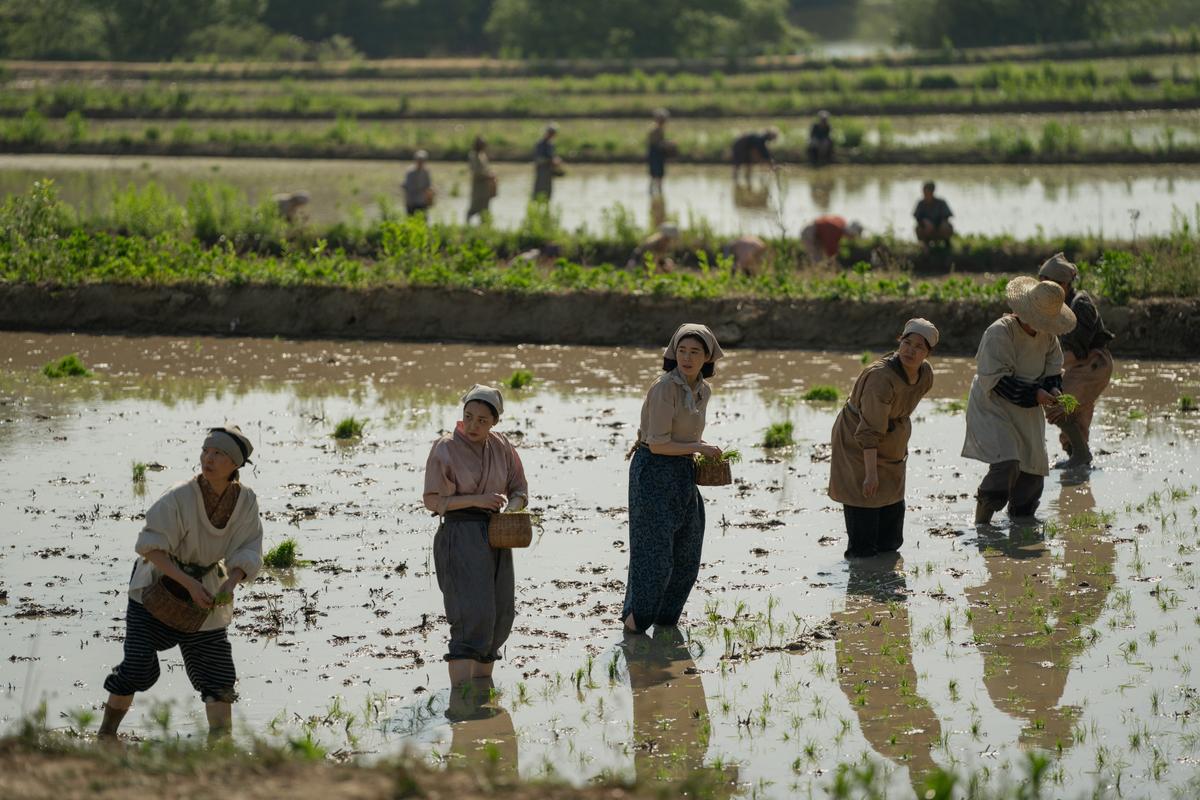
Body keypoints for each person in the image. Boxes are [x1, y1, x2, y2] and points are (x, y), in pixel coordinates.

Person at [98, 425, 263, 741]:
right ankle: (106, 736)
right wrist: (188, 583)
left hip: (206, 594)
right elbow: (151, 548)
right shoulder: (179, 496)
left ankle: (220, 748)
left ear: (235, 465)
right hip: (154, 589)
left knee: (217, 678)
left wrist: (230, 584)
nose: (208, 458)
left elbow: (249, 547)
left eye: (218, 454)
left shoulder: (246, 501)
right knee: (135, 669)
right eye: (205, 451)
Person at [423, 385, 529, 688]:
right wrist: (477, 500)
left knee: (499, 615)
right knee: (471, 616)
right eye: (468, 417)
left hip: (496, 536)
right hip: (459, 534)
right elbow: (431, 500)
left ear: (494, 422)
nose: (473, 426)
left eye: (482, 420)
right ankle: (461, 701)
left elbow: (519, 489)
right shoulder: (444, 448)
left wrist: (510, 508)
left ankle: (481, 696)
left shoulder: (502, 446)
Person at [623, 324, 725, 633]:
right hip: (653, 472)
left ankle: (666, 625)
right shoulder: (665, 387)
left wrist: (697, 452)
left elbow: (688, 438)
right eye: (682, 350)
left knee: (687, 556)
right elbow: (657, 444)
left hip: (682, 472)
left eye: (695, 352)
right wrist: (699, 448)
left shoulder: (703, 390)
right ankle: (635, 629)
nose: (687, 357)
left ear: (707, 357)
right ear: (673, 353)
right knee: (654, 559)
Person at [962, 277, 1075, 524]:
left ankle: (1020, 522)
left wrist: (1054, 392)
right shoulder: (999, 333)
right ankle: (982, 523)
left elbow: (1052, 373)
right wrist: (1036, 394)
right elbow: (997, 381)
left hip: (1028, 403)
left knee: (1033, 471)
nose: (1040, 326)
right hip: (993, 403)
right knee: (1008, 464)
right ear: (1023, 310)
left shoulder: (1049, 337)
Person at [828, 318, 937, 559]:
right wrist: (870, 472)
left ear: (928, 353)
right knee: (864, 500)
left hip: (892, 440)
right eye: (907, 343)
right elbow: (869, 430)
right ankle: (861, 576)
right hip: (858, 438)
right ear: (900, 342)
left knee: (891, 531)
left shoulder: (925, 375)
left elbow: (903, 407)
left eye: (919, 347)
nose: (910, 350)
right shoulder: (880, 378)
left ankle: (885, 574)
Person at [1038, 253, 1115, 468]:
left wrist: (1044, 371)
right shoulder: (1055, 305)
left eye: (1050, 285)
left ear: (1064, 284)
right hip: (1078, 364)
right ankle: (1078, 458)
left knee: (1056, 405)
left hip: (1093, 363)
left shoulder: (1080, 305)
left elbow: (1078, 351)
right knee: (1077, 413)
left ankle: (1081, 455)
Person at [466, 136, 497, 224]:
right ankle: (467, 225)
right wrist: (488, 176)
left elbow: (486, 169)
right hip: (478, 187)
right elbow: (476, 172)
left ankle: (484, 227)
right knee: (474, 207)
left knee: (485, 209)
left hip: (485, 187)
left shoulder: (482, 155)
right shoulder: (473, 156)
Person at [913, 181, 954, 247]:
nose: (925, 194)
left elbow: (947, 215)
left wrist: (937, 224)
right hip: (926, 228)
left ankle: (947, 245)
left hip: (938, 226)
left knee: (946, 226)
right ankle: (925, 245)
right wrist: (924, 222)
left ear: (932, 192)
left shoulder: (941, 202)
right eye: (924, 191)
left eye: (927, 192)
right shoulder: (921, 203)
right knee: (918, 228)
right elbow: (917, 217)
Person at [647, 108, 675, 196]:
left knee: (658, 176)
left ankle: (658, 193)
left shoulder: (659, 129)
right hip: (655, 154)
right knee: (655, 175)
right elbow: (656, 144)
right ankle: (655, 193)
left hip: (658, 154)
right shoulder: (655, 130)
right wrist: (668, 144)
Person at [532, 123, 562, 201]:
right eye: (551, 133)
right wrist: (551, 160)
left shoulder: (551, 145)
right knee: (539, 191)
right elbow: (538, 159)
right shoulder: (540, 144)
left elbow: (552, 156)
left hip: (549, 171)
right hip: (542, 171)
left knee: (548, 193)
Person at [403, 150, 434, 216]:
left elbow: (428, 187)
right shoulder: (410, 172)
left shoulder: (426, 172)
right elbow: (407, 188)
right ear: (415, 160)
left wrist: (430, 199)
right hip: (412, 201)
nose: (421, 162)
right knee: (411, 221)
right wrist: (407, 201)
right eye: (419, 160)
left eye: (423, 161)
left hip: (422, 202)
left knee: (423, 222)